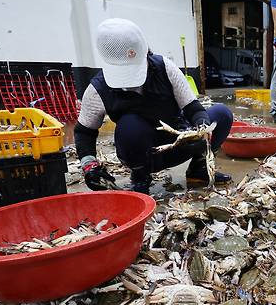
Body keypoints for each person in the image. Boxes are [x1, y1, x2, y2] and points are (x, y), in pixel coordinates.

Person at [74, 18, 233, 195]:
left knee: (221, 114)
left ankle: (199, 169)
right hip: (143, 154)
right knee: (130, 126)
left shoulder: (164, 68)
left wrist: (202, 127)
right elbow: (84, 132)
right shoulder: (98, 89)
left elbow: (193, 108)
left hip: (180, 142)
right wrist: (89, 165)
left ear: (146, 52)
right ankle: (141, 177)